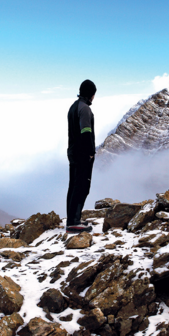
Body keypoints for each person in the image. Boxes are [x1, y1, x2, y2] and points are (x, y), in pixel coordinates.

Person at [66, 80, 97, 233]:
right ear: (91, 94)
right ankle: (73, 222)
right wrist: (90, 152)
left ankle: (72, 218)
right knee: (82, 186)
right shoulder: (84, 109)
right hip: (82, 153)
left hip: (73, 151)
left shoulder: (74, 107)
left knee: (74, 185)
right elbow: (86, 131)